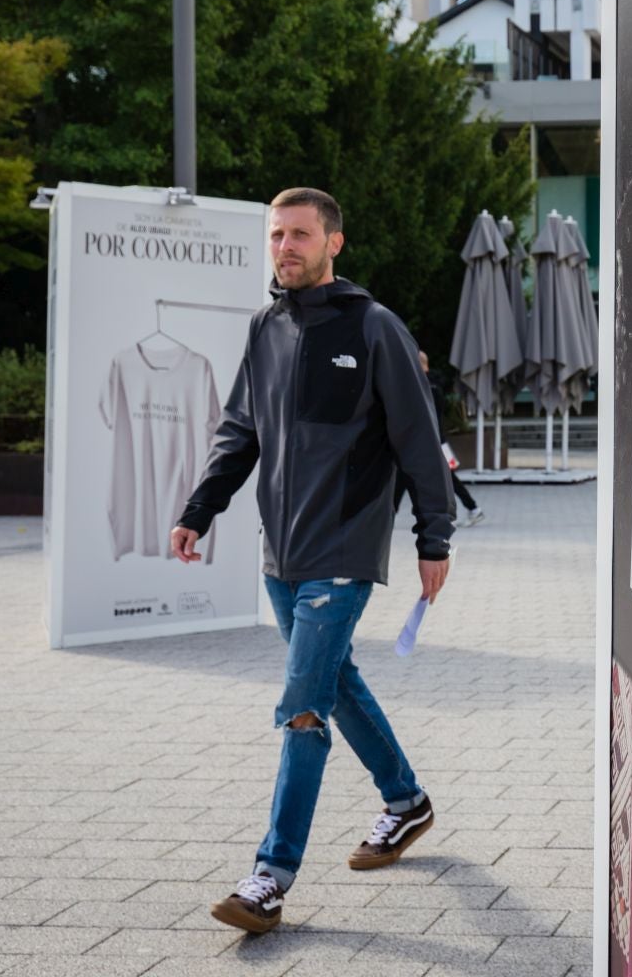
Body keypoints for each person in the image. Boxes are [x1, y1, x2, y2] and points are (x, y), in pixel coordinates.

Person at [169, 188, 456, 934]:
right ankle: (406, 801)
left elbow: (419, 439)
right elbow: (240, 432)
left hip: (344, 545)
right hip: (281, 553)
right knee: (336, 680)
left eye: (300, 234)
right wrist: (199, 509)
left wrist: (435, 536)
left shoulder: (374, 327)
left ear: (335, 241)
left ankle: (270, 876)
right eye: (276, 235)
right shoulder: (265, 329)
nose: (285, 247)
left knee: (303, 707)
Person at [392, 351, 484, 527]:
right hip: (436, 440)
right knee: (406, 476)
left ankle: (473, 508)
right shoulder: (433, 386)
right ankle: (390, 512)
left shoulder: (424, 387)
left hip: (430, 442)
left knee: (446, 479)